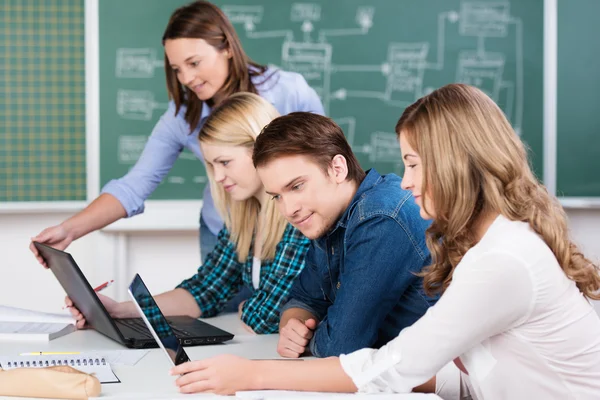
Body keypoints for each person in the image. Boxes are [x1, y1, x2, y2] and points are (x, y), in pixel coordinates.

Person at [169, 84, 600, 399]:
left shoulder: (502, 261)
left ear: (455, 162)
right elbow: (472, 382)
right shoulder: (484, 250)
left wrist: (251, 375)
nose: (407, 183)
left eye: (413, 164)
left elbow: (383, 368)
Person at [30, 0, 323, 264]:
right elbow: (134, 186)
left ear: (226, 48)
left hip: (290, 232)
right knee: (220, 318)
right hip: (225, 235)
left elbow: (323, 160)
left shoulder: (288, 91)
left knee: (279, 319)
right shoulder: (182, 117)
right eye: (177, 69)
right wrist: (68, 230)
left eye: (194, 63)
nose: (187, 78)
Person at [65, 93, 311, 334]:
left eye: (225, 162)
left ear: (261, 150)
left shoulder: (297, 217)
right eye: (211, 165)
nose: (218, 177)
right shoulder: (245, 219)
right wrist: (120, 310)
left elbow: (266, 318)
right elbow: (205, 290)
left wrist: (248, 308)